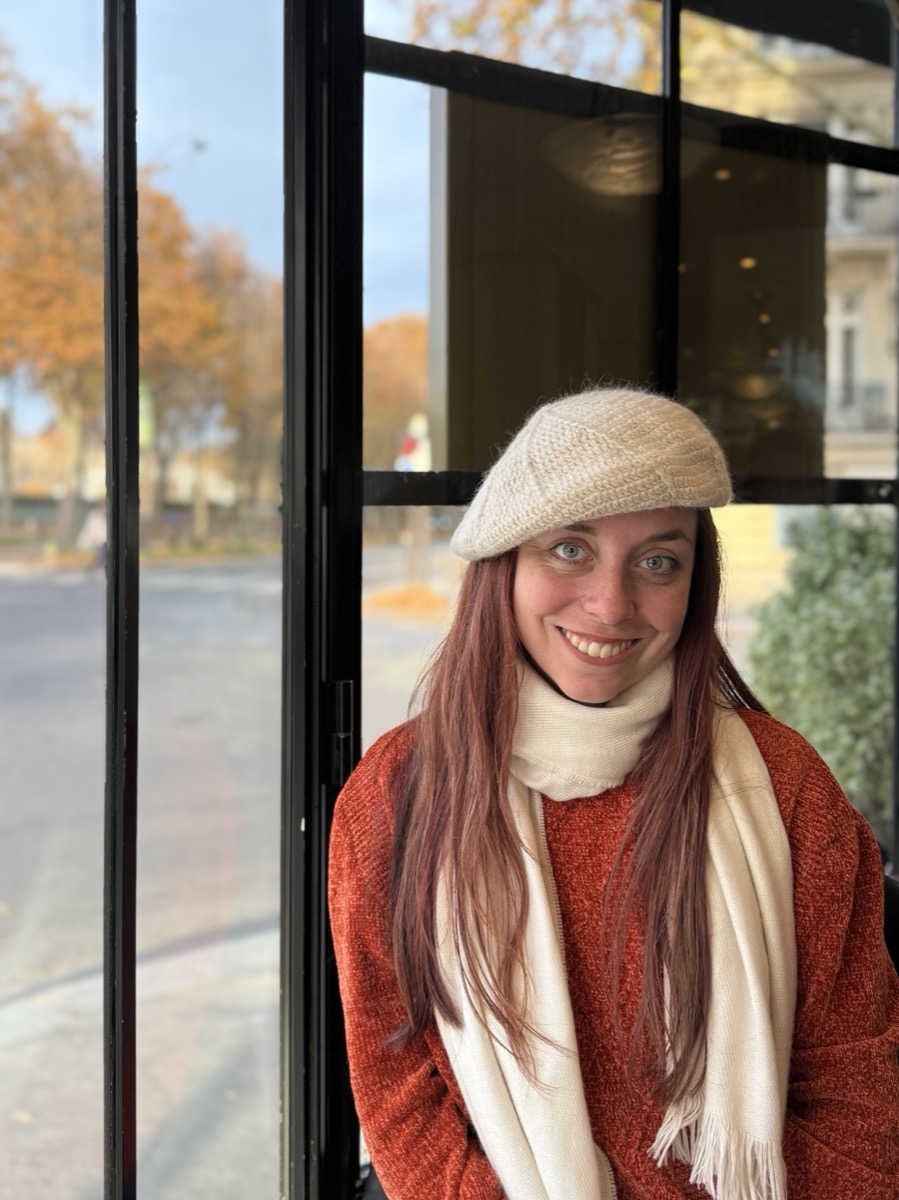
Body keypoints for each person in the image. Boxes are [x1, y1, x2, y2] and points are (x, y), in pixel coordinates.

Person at [329, 387, 899, 1200]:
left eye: (658, 561)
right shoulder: (394, 797)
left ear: (695, 583)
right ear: (504, 560)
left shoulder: (782, 786)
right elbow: (401, 1099)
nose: (610, 603)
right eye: (569, 548)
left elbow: (856, 1102)